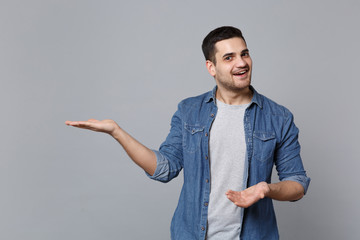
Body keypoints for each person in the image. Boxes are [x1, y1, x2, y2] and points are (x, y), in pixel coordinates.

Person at [65, 26, 310, 240]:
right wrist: (117, 132)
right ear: (211, 67)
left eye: (244, 53)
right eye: (229, 57)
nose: (241, 62)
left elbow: (297, 184)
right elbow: (164, 169)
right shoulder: (189, 111)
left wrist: (266, 189)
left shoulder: (278, 117)